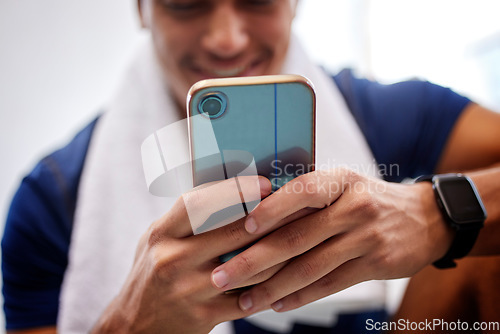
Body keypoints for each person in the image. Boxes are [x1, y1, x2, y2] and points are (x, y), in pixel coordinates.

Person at [2, 0, 500, 333]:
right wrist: (128, 323)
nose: (227, 39)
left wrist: (436, 213)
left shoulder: (385, 114)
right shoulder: (52, 201)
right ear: (140, 7)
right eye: (185, 3)